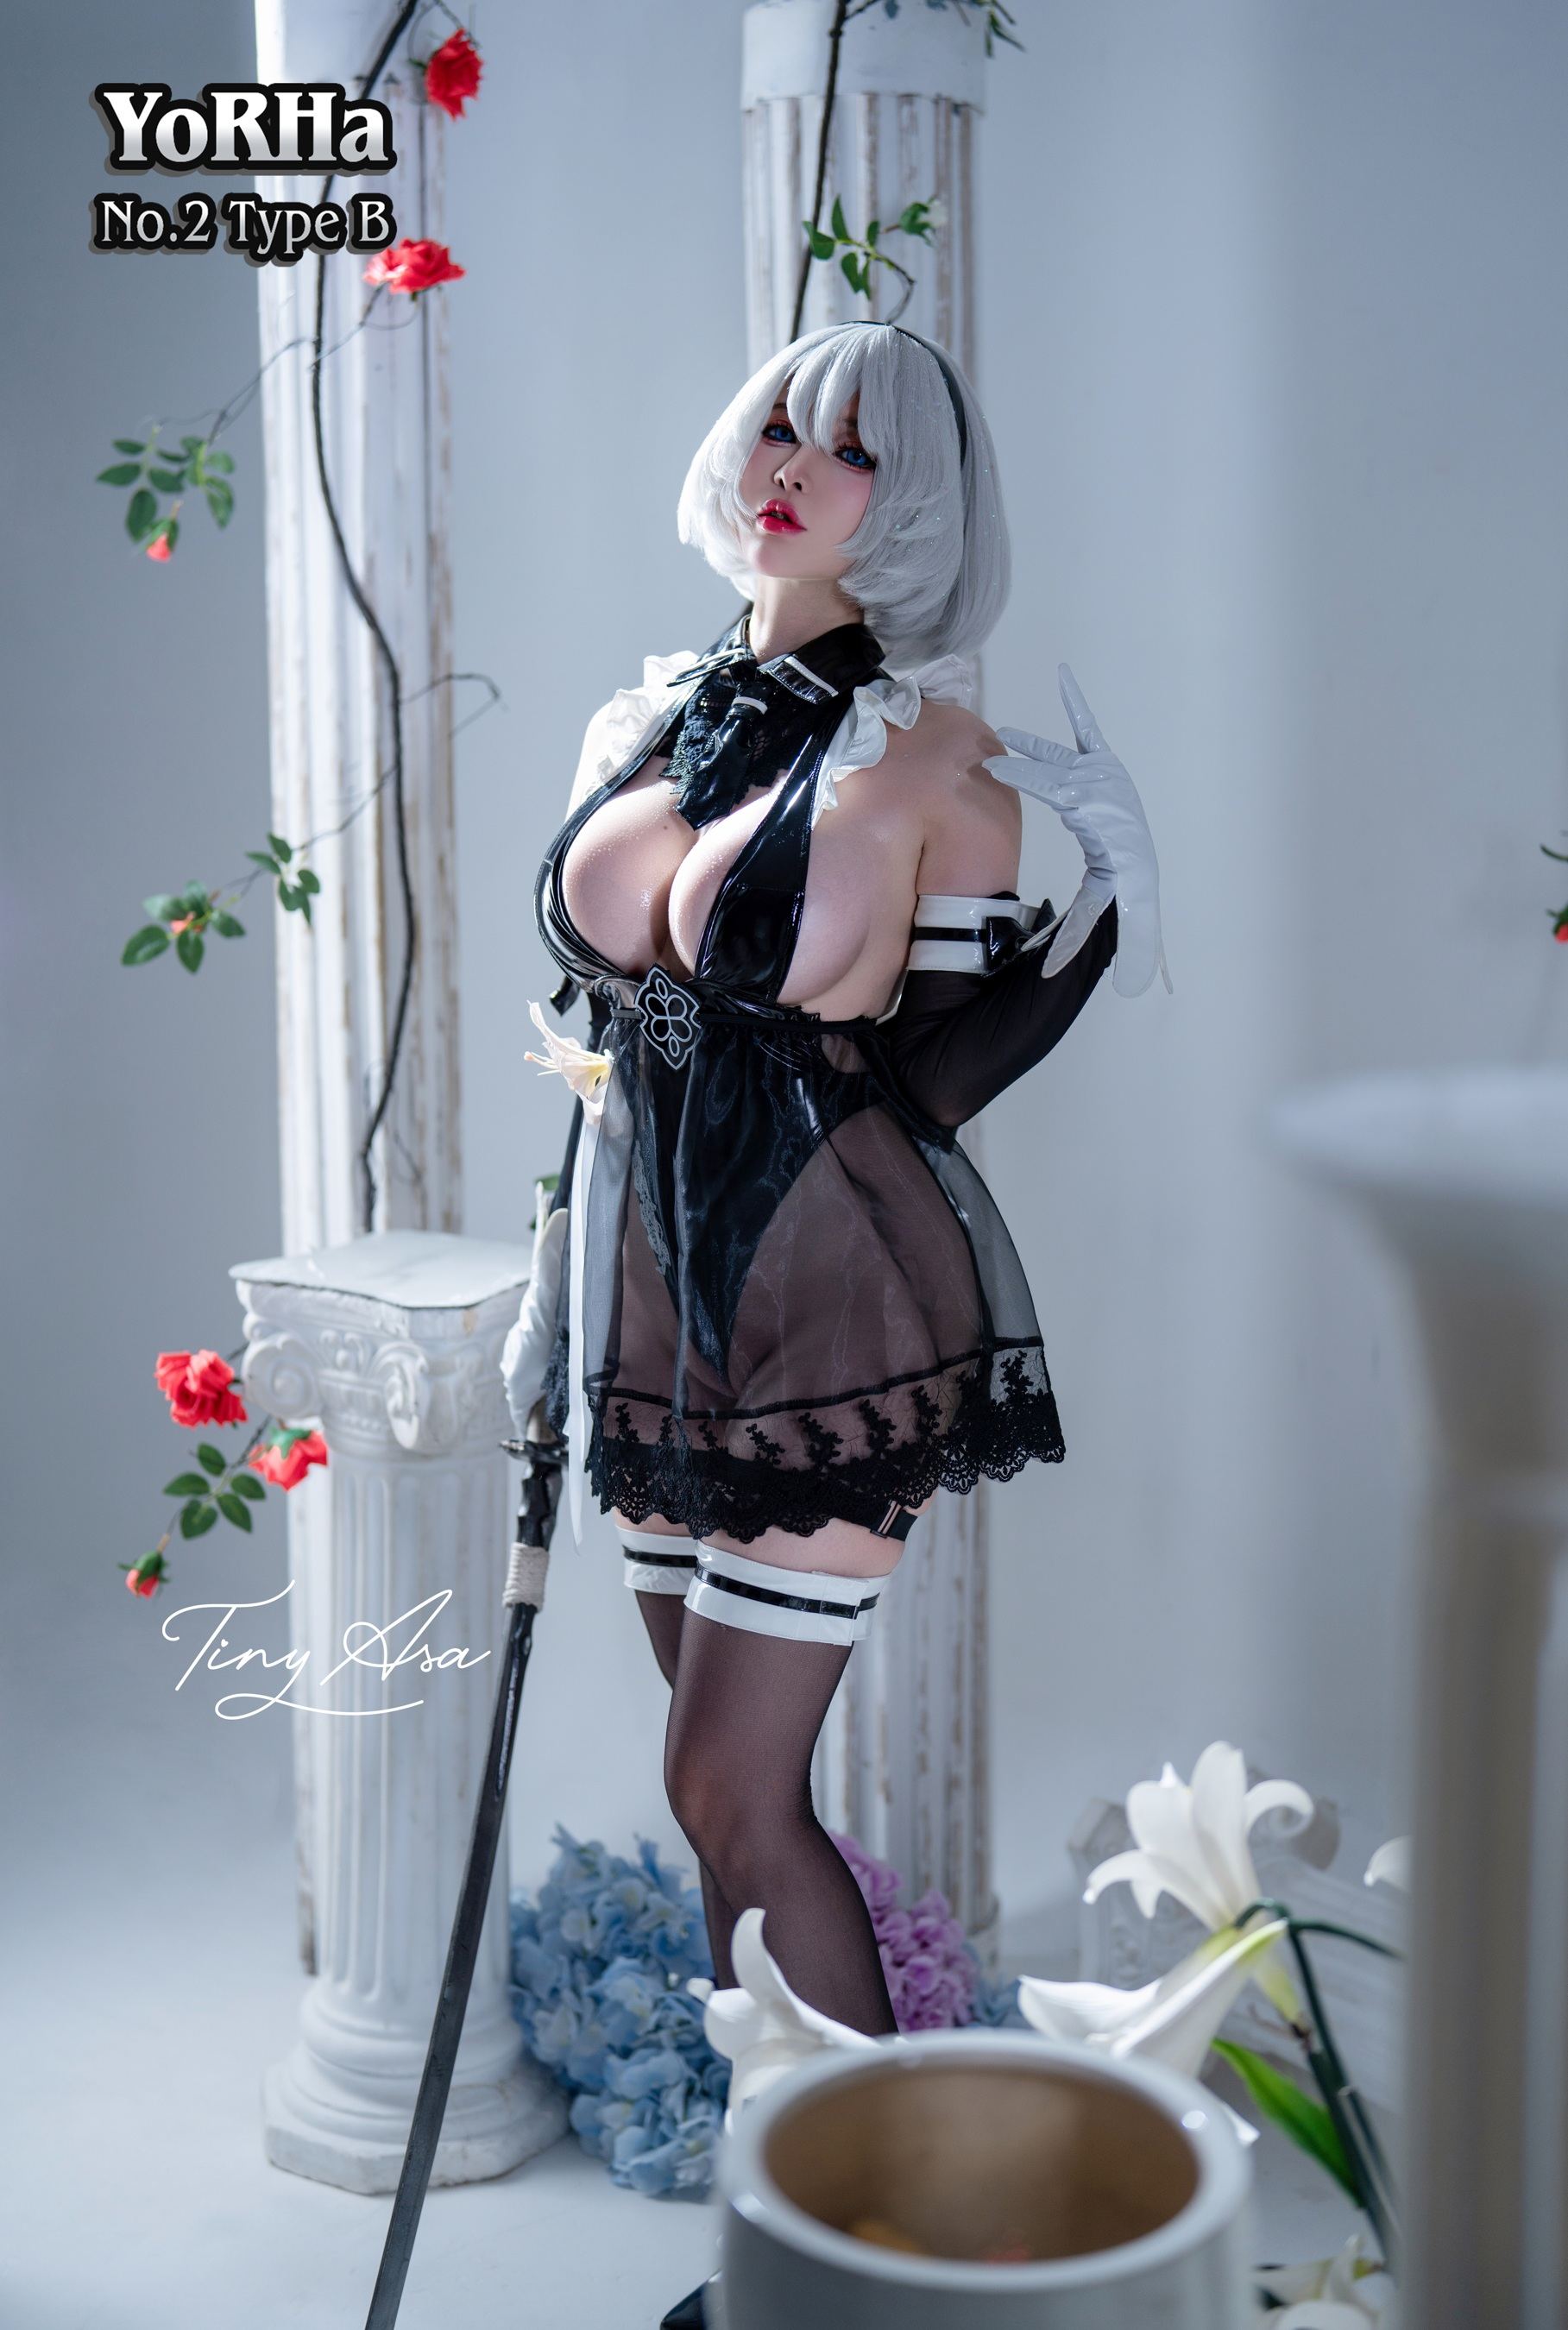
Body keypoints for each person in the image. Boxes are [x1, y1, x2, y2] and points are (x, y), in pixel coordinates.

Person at [506, 318, 1163, 2057]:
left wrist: (1103, 909)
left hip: (833, 1305)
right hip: (650, 1299)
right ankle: (796, 2162)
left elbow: (934, 1073)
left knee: (729, 1787)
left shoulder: (942, 759)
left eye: (854, 449)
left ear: (920, 499)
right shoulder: (642, 719)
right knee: (717, 1790)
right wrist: (552, 1281)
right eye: (781, 429)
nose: (794, 469)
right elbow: (604, 1049)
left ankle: (860, 2196)